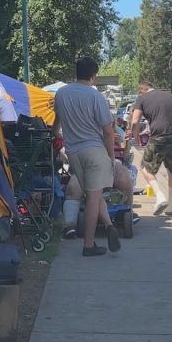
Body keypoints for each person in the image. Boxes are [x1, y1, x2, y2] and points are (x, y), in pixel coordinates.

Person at [53, 57, 120, 256]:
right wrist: (111, 156)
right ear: (93, 76)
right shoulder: (96, 96)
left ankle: (108, 225)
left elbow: (56, 124)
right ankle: (89, 245)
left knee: (92, 193)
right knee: (93, 196)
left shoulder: (61, 93)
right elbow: (108, 131)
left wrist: (57, 135)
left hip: (73, 152)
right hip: (95, 151)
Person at [130, 82, 172, 215]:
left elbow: (135, 121)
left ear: (141, 91)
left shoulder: (142, 99)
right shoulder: (171, 96)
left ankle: (160, 197)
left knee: (145, 167)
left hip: (159, 137)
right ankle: (171, 206)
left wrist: (135, 136)